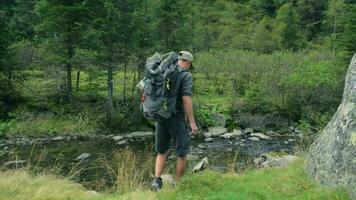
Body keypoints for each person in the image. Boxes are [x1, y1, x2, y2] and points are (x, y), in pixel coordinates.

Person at [151, 51, 198, 191]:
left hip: (161, 116)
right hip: (177, 118)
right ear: (188, 62)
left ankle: (156, 181)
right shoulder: (186, 75)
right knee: (182, 154)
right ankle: (177, 185)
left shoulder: (163, 71)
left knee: (162, 151)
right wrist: (192, 122)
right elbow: (186, 99)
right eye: (189, 64)